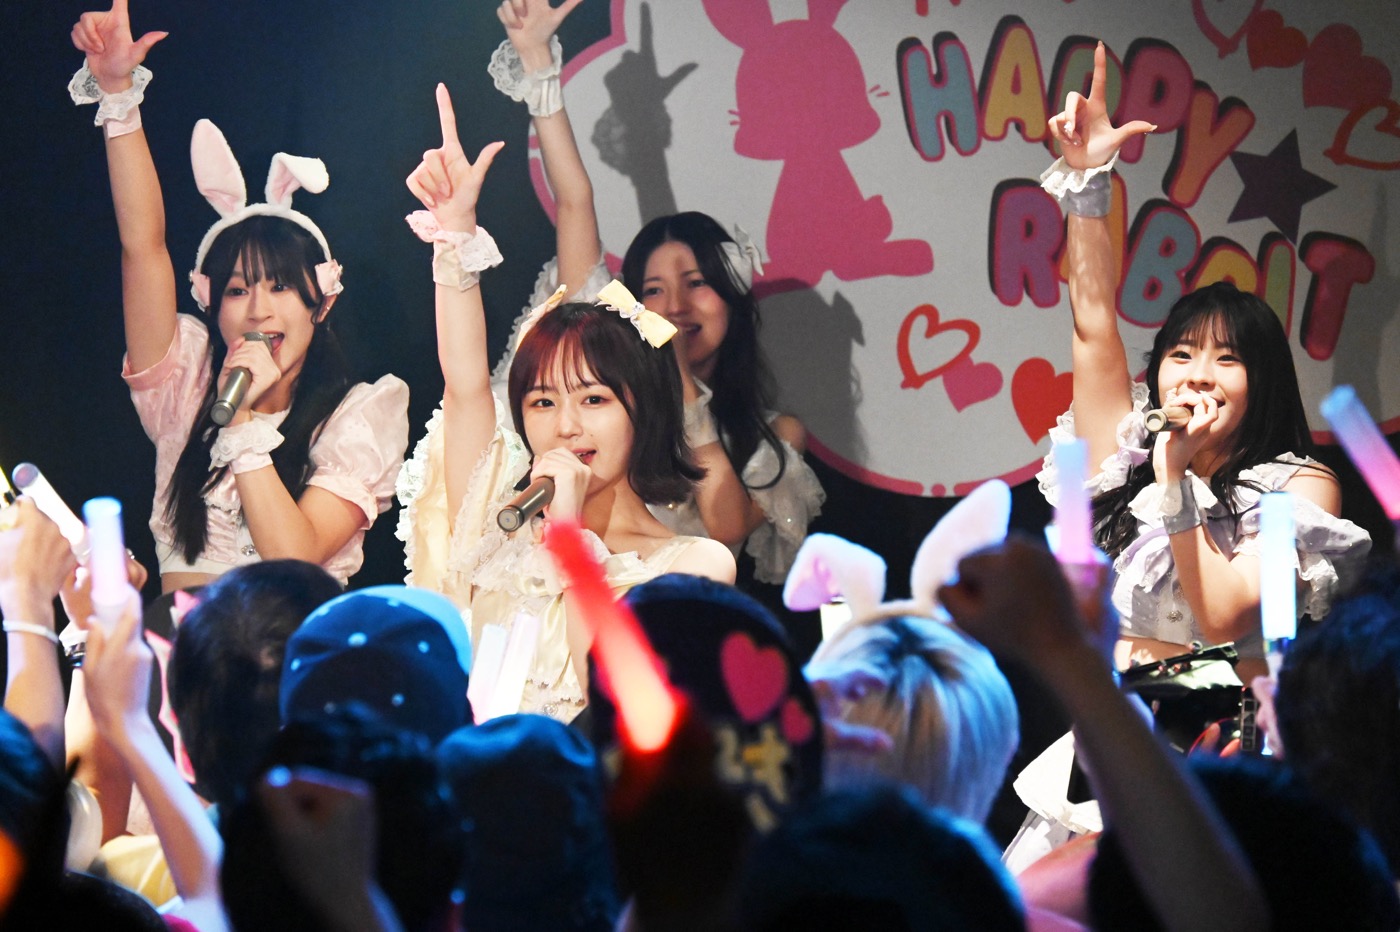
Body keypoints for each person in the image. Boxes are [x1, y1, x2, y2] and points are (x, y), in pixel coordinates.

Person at [396, 83, 734, 723]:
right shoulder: (496, 525)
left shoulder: (692, 564)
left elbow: (619, 696)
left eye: (594, 398)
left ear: (643, 410)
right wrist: (454, 236)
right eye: (543, 402)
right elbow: (465, 386)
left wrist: (571, 540)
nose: (566, 426)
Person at [1037, 43, 1368, 678]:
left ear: (1262, 381)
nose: (1196, 375)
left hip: (1231, 734)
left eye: (1226, 359)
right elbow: (1093, 323)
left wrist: (1175, 482)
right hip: (1119, 733)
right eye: (1182, 354)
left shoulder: (1299, 487)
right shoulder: (1126, 461)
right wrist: (1088, 181)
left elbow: (1224, 617)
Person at [70, 0, 408, 594]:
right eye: (236, 289)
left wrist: (245, 420)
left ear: (322, 303)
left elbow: (294, 558)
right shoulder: (186, 382)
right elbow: (143, 248)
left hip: (289, 647)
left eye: (280, 286)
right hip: (182, 644)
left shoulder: (355, 416)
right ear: (212, 303)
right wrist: (118, 98)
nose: (257, 309)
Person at [488, 0, 824, 586]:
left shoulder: (772, 432)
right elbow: (576, 203)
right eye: (653, 290)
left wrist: (682, 384)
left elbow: (724, 527)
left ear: (733, 295)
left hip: (671, 606)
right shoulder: (604, 384)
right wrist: (539, 68)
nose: (674, 307)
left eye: (697, 285)